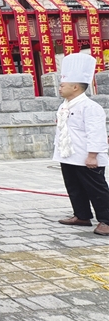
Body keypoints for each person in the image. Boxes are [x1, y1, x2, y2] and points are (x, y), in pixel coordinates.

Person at [53, 53, 109, 236]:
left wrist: (92, 155)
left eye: (63, 85)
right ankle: (82, 215)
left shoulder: (90, 107)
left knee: (96, 189)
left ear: (75, 87)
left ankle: (107, 220)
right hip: (69, 155)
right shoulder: (65, 105)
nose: (60, 88)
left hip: (87, 157)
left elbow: (96, 132)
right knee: (74, 187)